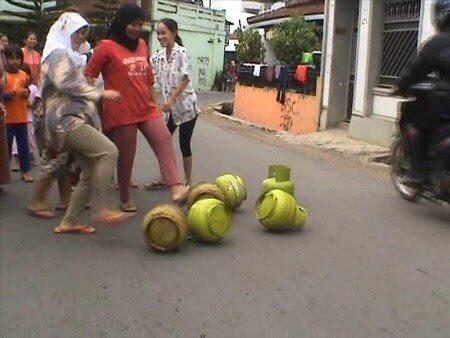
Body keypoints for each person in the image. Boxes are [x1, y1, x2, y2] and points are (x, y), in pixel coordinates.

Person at [85, 4, 190, 212]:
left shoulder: (142, 44)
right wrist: (99, 96)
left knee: (164, 139)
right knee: (126, 157)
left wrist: (156, 104)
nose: (136, 29)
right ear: (123, 22)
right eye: (132, 24)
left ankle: (176, 188)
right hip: (121, 112)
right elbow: (89, 76)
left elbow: (149, 79)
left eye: (140, 25)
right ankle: (124, 197)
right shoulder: (105, 47)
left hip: (146, 107)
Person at [38, 12, 129, 234]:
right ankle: (100, 208)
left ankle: (69, 221)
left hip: (70, 119)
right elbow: (65, 83)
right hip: (65, 120)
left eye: (82, 32)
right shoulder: (58, 53)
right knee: (108, 152)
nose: (80, 37)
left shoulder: (68, 54)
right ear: (64, 31)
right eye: (76, 32)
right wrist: (100, 94)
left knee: (89, 169)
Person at [395, 0, 450, 183]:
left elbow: (415, 69)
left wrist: (401, 86)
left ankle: (418, 173)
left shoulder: (439, 42)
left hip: (445, 105)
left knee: (412, 117)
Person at [146, 18, 199, 190]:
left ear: (174, 33)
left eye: (164, 33)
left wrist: (170, 100)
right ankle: (164, 177)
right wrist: (155, 103)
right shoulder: (157, 58)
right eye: (158, 33)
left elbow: (185, 79)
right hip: (169, 111)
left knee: (184, 144)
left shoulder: (181, 52)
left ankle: (188, 181)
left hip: (186, 108)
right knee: (162, 141)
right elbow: (150, 81)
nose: (161, 36)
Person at [2, 44, 33, 183]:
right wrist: (9, 95)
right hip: (7, 118)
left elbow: (27, 92)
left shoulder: (23, 75)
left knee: (23, 146)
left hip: (21, 116)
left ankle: (25, 171)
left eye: (17, 58)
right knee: (5, 148)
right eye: (11, 59)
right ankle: (4, 173)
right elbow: (2, 96)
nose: (14, 61)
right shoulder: (3, 76)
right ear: (5, 60)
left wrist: (26, 94)